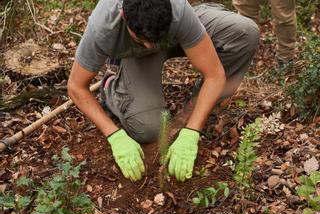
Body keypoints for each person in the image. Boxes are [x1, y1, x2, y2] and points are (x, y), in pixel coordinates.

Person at [67, 0, 259, 182]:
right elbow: (76, 87)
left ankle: (195, 111)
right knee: (149, 129)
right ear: (123, 15)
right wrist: (114, 135)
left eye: (153, 40)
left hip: (175, 32)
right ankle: (114, 84)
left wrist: (191, 131)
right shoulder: (103, 27)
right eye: (142, 38)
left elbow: (214, 75)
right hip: (135, 56)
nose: (151, 45)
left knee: (244, 32)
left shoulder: (177, 10)